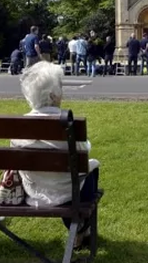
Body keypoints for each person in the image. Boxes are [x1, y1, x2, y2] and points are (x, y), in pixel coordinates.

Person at [11, 62, 100, 251]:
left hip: (34, 190)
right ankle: (81, 228)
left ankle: (80, 229)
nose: (62, 92)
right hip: (68, 192)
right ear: (52, 95)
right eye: (60, 87)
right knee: (91, 168)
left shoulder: (19, 126)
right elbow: (85, 149)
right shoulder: (67, 125)